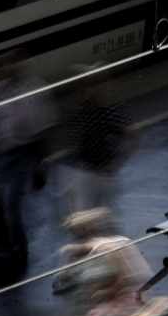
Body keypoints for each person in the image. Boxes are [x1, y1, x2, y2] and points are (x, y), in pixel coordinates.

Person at [0, 53, 54, 271]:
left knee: (11, 204)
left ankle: (19, 249)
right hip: (0, 153)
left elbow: (41, 129)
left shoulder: (31, 90)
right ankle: (4, 243)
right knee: (1, 200)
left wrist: (40, 164)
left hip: (23, 151)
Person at [50, 78, 131, 216]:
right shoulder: (79, 114)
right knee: (91, 211)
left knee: (102, 211)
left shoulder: (107, 111)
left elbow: (130, 135)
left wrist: (116, 162)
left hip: (101, 170)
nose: (82, 93)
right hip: (88, 169)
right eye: (80, 90)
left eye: (85, 88)